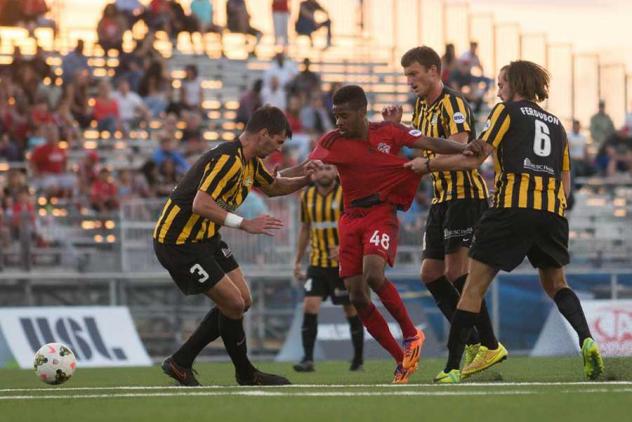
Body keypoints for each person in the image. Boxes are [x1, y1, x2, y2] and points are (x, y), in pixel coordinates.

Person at [405, 60, 605, 383]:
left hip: (512, 209)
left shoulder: (505, 112)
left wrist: (428, 166)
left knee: (472, 287)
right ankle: (587, 340)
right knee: (557, 285)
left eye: (501, 84)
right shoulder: (557, 125)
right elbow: (566, 184)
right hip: (552, 213)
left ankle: (452, 368)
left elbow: (476, 157)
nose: (498, 90)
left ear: (515, 85)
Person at [309, 85, 482, 384]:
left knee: (374, 274)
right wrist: (274, 178)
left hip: (381, 213)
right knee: (357, 294)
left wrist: (465, 147)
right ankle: (401, 359)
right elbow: (306, 167)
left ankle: (411, 334)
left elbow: (430, 142)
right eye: (335, 115)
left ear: (362, 112)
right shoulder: (332, 141)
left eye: (344, 116)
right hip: (350, 219)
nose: (338, 122)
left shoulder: (390, 132)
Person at [155, 105, 321, 386]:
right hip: (178, 241)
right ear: (264, 134)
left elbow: (273, 186)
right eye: (278, 142)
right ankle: (245, 373)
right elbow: (201, 204)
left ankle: (180, 362)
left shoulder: (249, 161)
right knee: (232, 303)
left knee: (243, 300)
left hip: (205, 238)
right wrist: (245, 223)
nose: (278, 149)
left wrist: (307, 178)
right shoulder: (227, 159)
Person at [383, 46, 497, 370]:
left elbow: (466, 156)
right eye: (406, 75)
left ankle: (487, 344)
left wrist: (429, 165)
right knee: (430, 273)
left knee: (456, 271)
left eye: (414, 74)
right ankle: (475, 339)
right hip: (441, 198)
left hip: (464, 195)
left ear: (434, 71)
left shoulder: (454, 103)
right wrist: (395, 128)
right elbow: (414, 147)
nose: (409, 81)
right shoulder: (420, 107)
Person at [292, 164, 364, 372]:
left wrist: (344, 247)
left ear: (335, 172)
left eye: (328, 169)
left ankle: (358, 359)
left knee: (350, 308)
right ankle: (307, 359)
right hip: (317, 262)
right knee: (309, 305)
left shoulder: (345, 194)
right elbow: (305, 229)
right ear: (313, 173)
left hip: (343, 263)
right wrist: (297, 260)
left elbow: (355, 226)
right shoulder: (306, 196)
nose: (323, 172)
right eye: (320, 169)